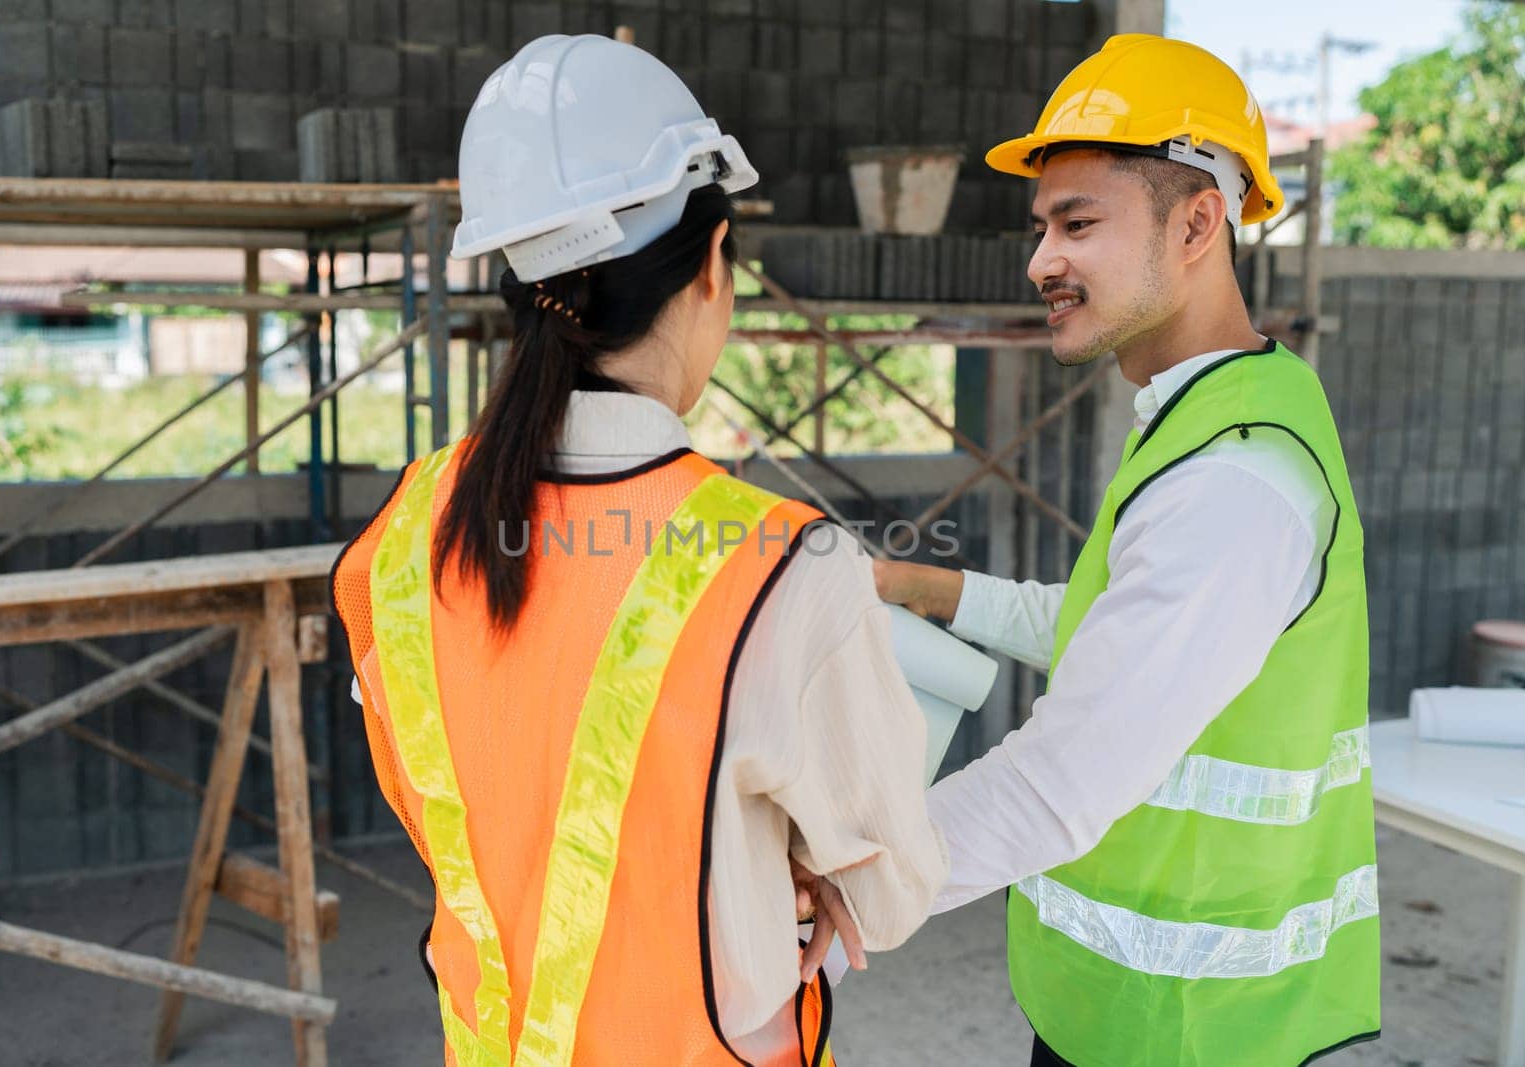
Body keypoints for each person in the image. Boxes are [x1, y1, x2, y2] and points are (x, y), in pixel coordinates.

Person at [331, 34, 945, 1067]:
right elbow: (887, 892)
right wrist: (771, 868)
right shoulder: (787, 567)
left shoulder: (404, 532)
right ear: (711, 264)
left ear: (521, 289)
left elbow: (464, 800)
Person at [864, 33, 1380, 1066]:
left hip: (1192, 1032)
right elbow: (1123, 627)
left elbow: (1060, 779)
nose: (1040, 260)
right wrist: (920, 587)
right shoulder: (1222, 409)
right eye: (1041, 225)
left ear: (1197, 222)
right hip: (1123, 1013)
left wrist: (819, 889)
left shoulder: (1234, 477)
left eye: (1077, 222)